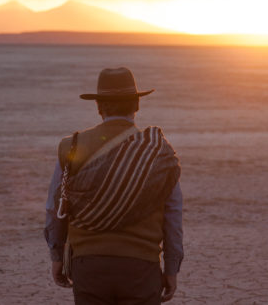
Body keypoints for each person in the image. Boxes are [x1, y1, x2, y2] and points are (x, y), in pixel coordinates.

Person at [45, 67, 183, 304]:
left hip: (88, 267)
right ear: (136, 105)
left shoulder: (72, 147)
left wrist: (57, 256)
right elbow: (173, 214)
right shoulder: (157, 152)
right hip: (141, 268)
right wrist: (171, 268)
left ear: (99, 107)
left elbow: (56, 208)